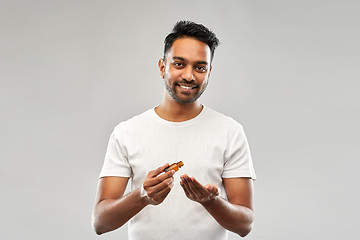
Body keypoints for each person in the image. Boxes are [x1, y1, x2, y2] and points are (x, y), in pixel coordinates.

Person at [92, 20, 256, 240]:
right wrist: (142, 196)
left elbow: (245, 225)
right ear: (162, 67)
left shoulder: (230, 132)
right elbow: (100, 222)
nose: (189, 76)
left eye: (200, 67)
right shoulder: (127, 133)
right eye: (179, 64)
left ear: (209, 73)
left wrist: (211, 201)